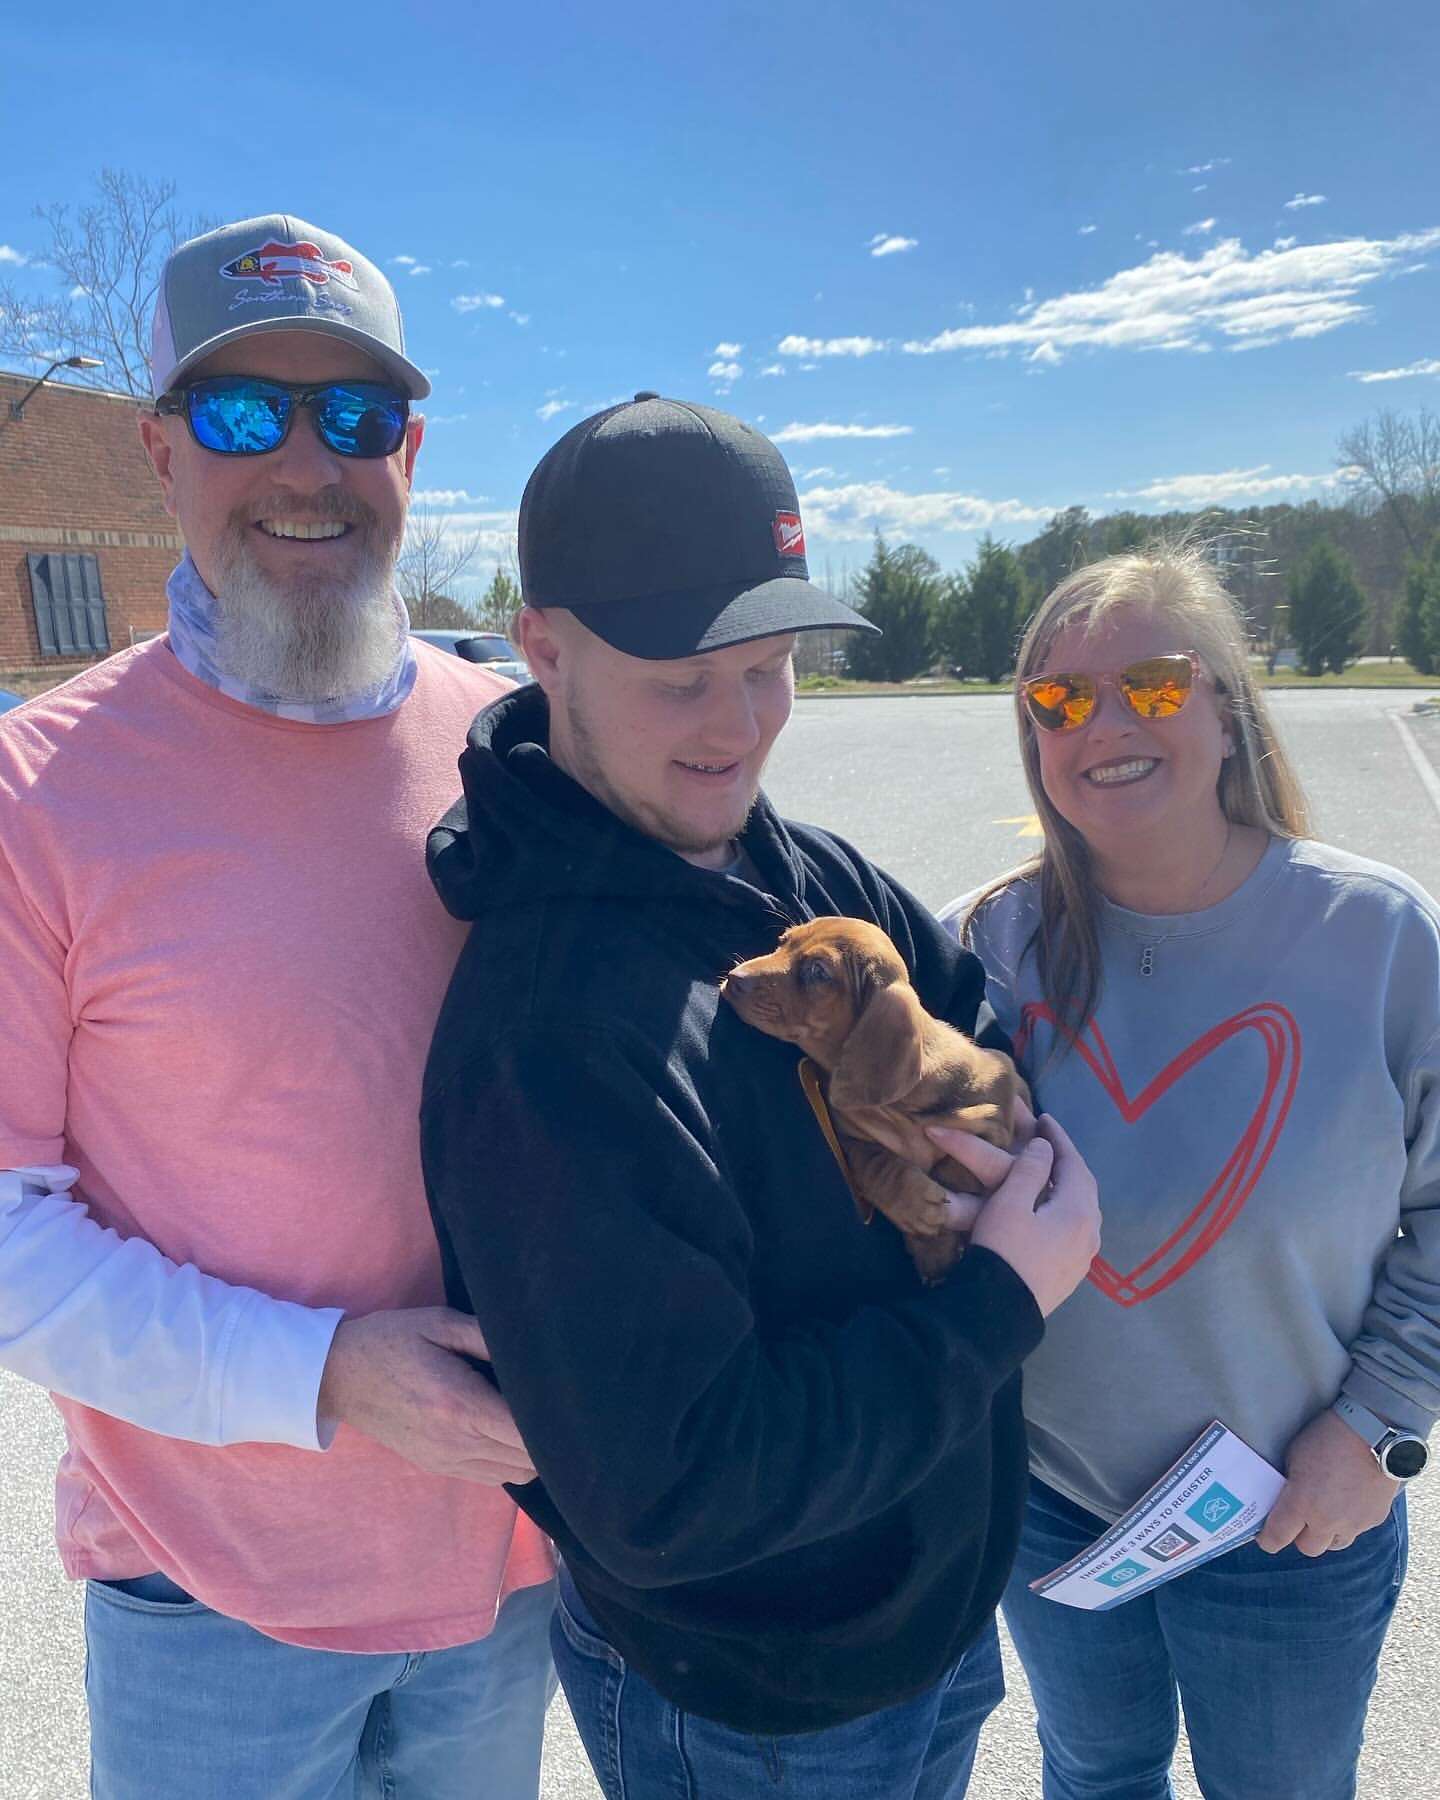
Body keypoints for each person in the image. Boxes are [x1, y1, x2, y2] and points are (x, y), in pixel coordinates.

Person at [419, 393, 1101, 1798]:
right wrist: (996, 1299)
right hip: (755, 1706)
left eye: (774, 667)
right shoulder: (548, 1033)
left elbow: (968, 1028)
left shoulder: (809, 876)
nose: (738, 726)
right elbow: (674, 1493)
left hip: (935, 1625)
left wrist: (985, 1145)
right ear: (542, 651)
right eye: (682, 676)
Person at [0, 215, 556, 1800]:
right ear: (160, 451)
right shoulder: (37, 795)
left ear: (412, 450)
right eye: (248, 413)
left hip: (505, 1575)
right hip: (205, 1593)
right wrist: (322, 1371)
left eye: (355, 417)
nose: (306, 463)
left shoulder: (520, 749)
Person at [942, 542, 1438, 1800]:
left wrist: (1378, 1433)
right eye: (1059, 699)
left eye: (1154, 687)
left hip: (1292, 1514)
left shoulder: (1380, 937)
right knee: (1094, 1774)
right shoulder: (986, 950)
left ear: (1227, 706)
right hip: (1056, 1509)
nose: (1104, 724)